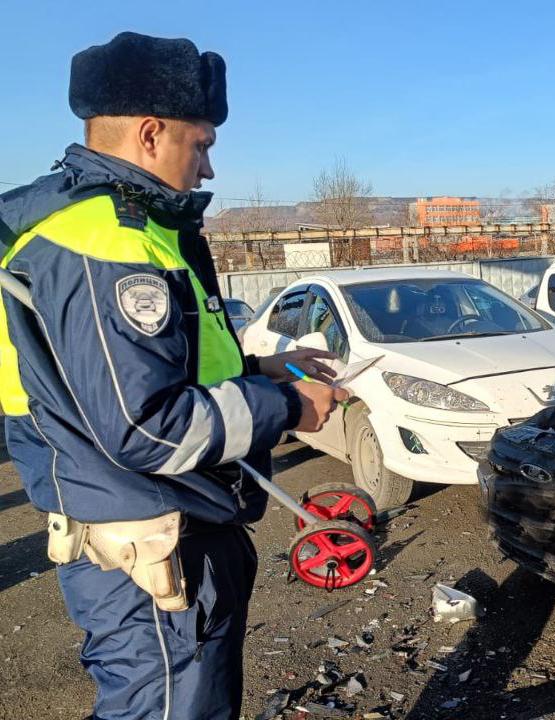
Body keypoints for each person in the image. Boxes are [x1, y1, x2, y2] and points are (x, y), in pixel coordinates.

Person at [0, 32, 346, 719]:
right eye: (203, 143)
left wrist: (259, 368)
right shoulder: (107, 240)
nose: (210, 167)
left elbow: (143, 372)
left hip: (165, 519)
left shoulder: (130, 226)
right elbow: (143, 425)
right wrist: (287, 407)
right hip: (150, 537)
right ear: (152, 133)